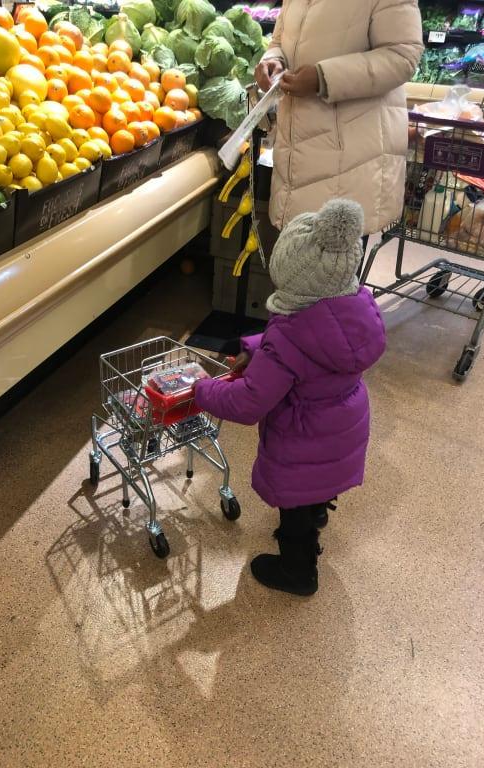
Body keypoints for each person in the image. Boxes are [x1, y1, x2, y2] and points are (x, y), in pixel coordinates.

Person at [194, 200, 386, 596]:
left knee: (295, 507)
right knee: (319, 481)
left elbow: (249, 402)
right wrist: (255, 347)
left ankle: (298, 572)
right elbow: (309, 344)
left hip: (302, 436)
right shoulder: (355, 306)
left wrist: (202, 390)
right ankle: (317, 511)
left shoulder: (290, 334)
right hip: (342, 426)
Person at [254, 0, 424, 237]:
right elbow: (280, 39)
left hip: (353, 160)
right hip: (296, 153)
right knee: (293, 251)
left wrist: (322, 78)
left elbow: (402, 56)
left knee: (334, 252)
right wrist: (273, 60)